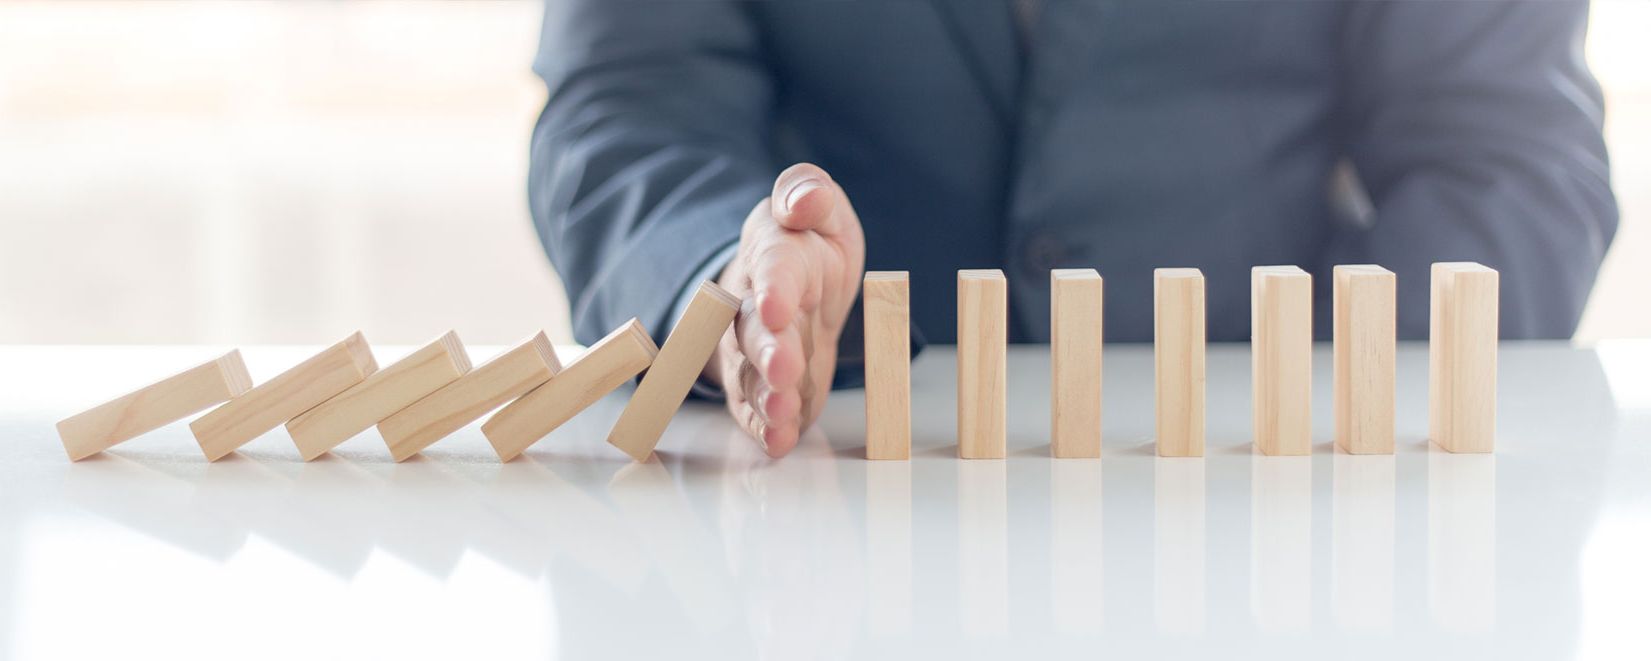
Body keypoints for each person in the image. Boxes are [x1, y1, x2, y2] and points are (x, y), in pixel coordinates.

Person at [527, 1, 1617, 457]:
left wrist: (1340, 428)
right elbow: (626, 111)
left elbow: (1507, 159)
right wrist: (733, 287)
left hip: (1275, 510)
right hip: (827, 496)